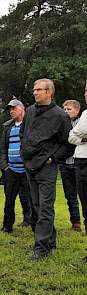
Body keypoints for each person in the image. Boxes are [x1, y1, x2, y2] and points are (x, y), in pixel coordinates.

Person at [20, 78, 74, 260]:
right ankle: (50, 240)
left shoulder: (60, 116)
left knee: (45, 207)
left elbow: (68, 144)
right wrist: (23, 152)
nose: (34, 92)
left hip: (47, 167)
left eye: (38, 90)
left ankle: (41, 247)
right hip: (29, 165)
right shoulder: (29, 111)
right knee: (36, 205)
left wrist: (53, 159)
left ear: (49, 92)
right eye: (34, 89)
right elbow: (23, 134)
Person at [0, 99, 31, 233]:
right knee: (9, 200)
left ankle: (30, 221)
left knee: (28, 198)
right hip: (11, 169)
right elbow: (2, 149)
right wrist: (5, 167)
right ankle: (7, 226)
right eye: (9, 109)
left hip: (26, 170)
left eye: (14, 108)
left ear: (22, 108)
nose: (11, 111)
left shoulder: (30, 124)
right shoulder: (7, 127)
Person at [69, 82, 87, 237]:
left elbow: (81, 130)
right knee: (84, 203)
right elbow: (71, 136)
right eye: (86, 90)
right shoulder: (86, 114)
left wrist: (79, 133)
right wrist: (83, 139)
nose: (86, 94)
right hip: (79, 160)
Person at [60, 100, 81, 231]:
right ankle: (75, 222)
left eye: (69, 109)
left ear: (77, 111)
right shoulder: (61, 124)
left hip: (79, 163)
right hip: (64, 164)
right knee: (70, 195)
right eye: (65, 109)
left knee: (83, 193)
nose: (66, 112)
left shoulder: (81, 124)